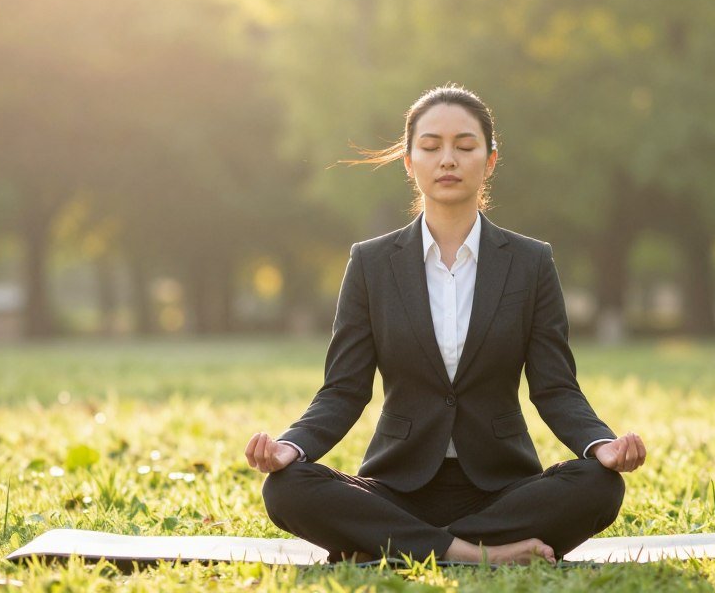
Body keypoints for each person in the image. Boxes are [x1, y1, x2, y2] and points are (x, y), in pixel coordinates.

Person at [245, 85, 646, 565]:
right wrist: (292, 446)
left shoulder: (531, 262)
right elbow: (343, 390)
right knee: (286, 488)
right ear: (409, 162)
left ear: (490, 161)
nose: (448, 159)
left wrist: (600, 444)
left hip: (502, 489)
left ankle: (399, 545)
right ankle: (478, 553)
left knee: (600, 485)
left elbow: (555, 388)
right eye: (431, 147)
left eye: (465, 146)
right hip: (396, 487)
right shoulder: (371, 264)